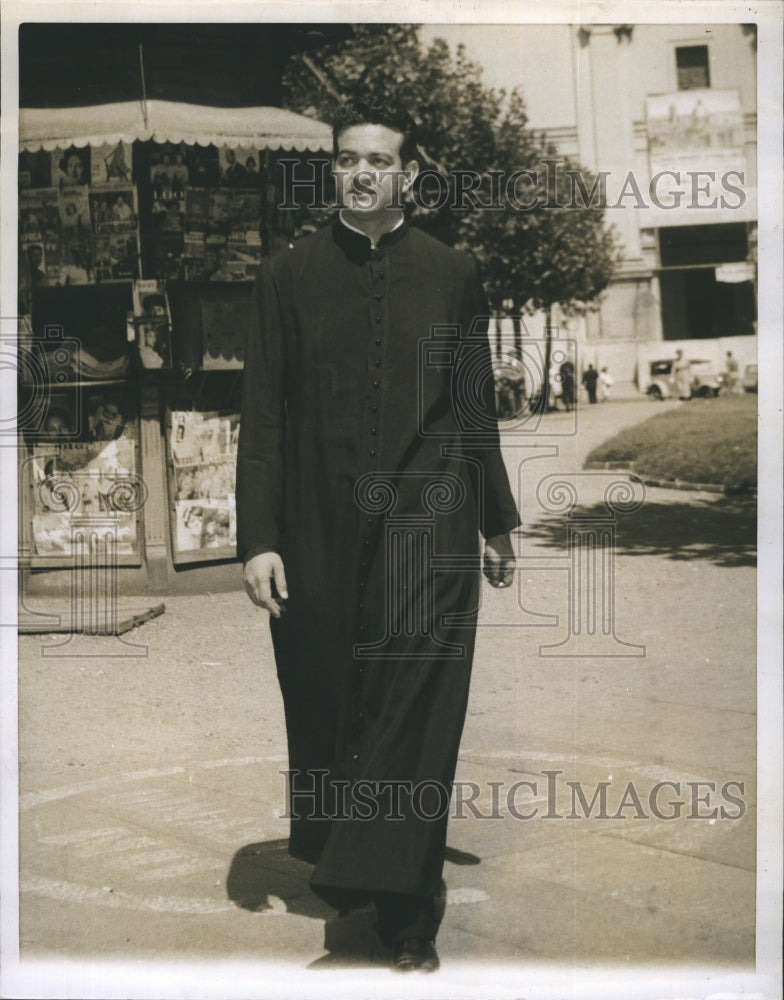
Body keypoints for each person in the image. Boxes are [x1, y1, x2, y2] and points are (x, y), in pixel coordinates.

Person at [236, 98, 519, 974]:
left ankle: (406, 917)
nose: (360, 172)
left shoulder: (454, 271)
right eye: (347, 159)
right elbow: (265, 418)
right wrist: (259, 537)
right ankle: (349, 863)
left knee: (415, 712)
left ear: (409, 176)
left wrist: (496, 520)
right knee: (327, 697)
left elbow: (473, 407)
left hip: (429, 523)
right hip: (319, 527)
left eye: (378, 160)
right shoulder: (287, 276)